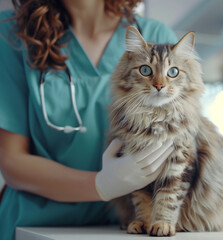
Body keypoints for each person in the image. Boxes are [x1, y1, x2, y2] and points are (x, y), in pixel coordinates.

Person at [0, 0, 177, 239]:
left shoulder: (155, 36)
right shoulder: (13, 35)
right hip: (34, 226)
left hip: (125, 226)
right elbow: (13, 163)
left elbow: (180, 130)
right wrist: (100, 184)